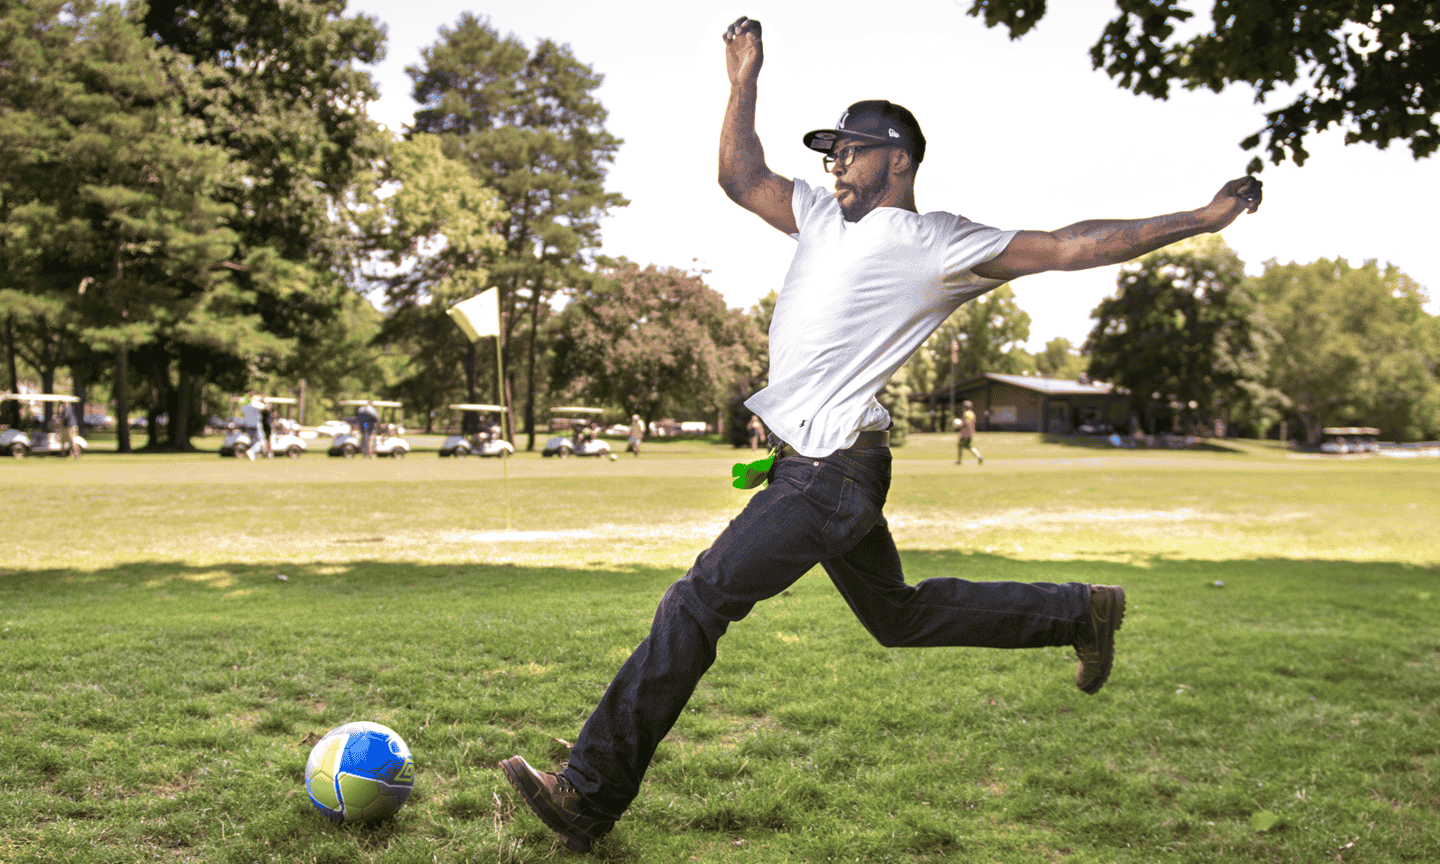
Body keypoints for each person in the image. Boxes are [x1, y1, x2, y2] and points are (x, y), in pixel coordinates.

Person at [499, 15, 1263, 854]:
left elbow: (1071, 244)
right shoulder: (820, 217)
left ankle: (591, 789)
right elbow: (739, 174)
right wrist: (743, 78)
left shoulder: (939, 244)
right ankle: (1078, 613)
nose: (834, 167)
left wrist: (1199, 218)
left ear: (897, 158)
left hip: (828, 476)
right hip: (826, 466)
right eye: (829, 154)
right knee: (896, 617)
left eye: (850, 151)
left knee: (697, 600)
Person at [956, 399, 982, 465]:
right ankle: (979, 456)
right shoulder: (972, 414)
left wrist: (959, 425)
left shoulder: (965, 414)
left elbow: (965, 423)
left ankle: (959, 461)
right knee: (968, 446)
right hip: (971, 433)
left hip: (965, 433)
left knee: (959, 445)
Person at [240, 393, 265, 461]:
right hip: (255, 425)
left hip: (248, 426)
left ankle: (253, 456)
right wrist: (262, 400)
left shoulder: (245, 406)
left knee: (254, 441)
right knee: (261, 441)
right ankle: (251, 452)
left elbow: (242, 410)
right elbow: (264, 406)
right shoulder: (255, 404)